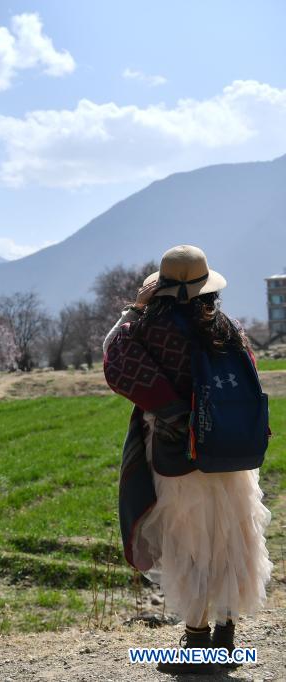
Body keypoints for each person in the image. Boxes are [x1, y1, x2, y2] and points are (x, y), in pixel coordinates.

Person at [103, 245, 272, 675]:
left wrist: (134, 309)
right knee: (233, 539)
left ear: (158, 287)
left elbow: (115, 361)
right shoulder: (226, 328)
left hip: (179, 453)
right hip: (232, 453)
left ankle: (196, 648)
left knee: (191, 545)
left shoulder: (148, 329)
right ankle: (227, 639)